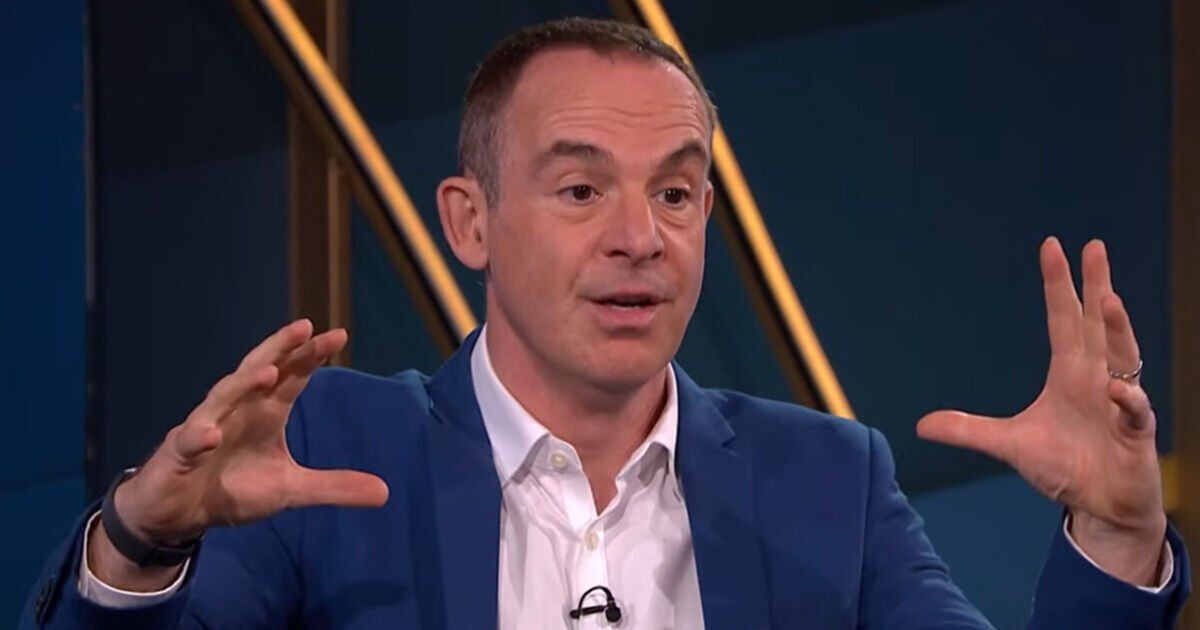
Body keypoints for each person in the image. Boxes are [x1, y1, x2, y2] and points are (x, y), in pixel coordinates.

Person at [20, 17, 1188, 629]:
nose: (641, 236)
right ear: (470, 221)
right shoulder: (334, 450)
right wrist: (138, 545)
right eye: (582, 190)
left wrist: (1116, 537)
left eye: (675, 194)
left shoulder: (828, 480)